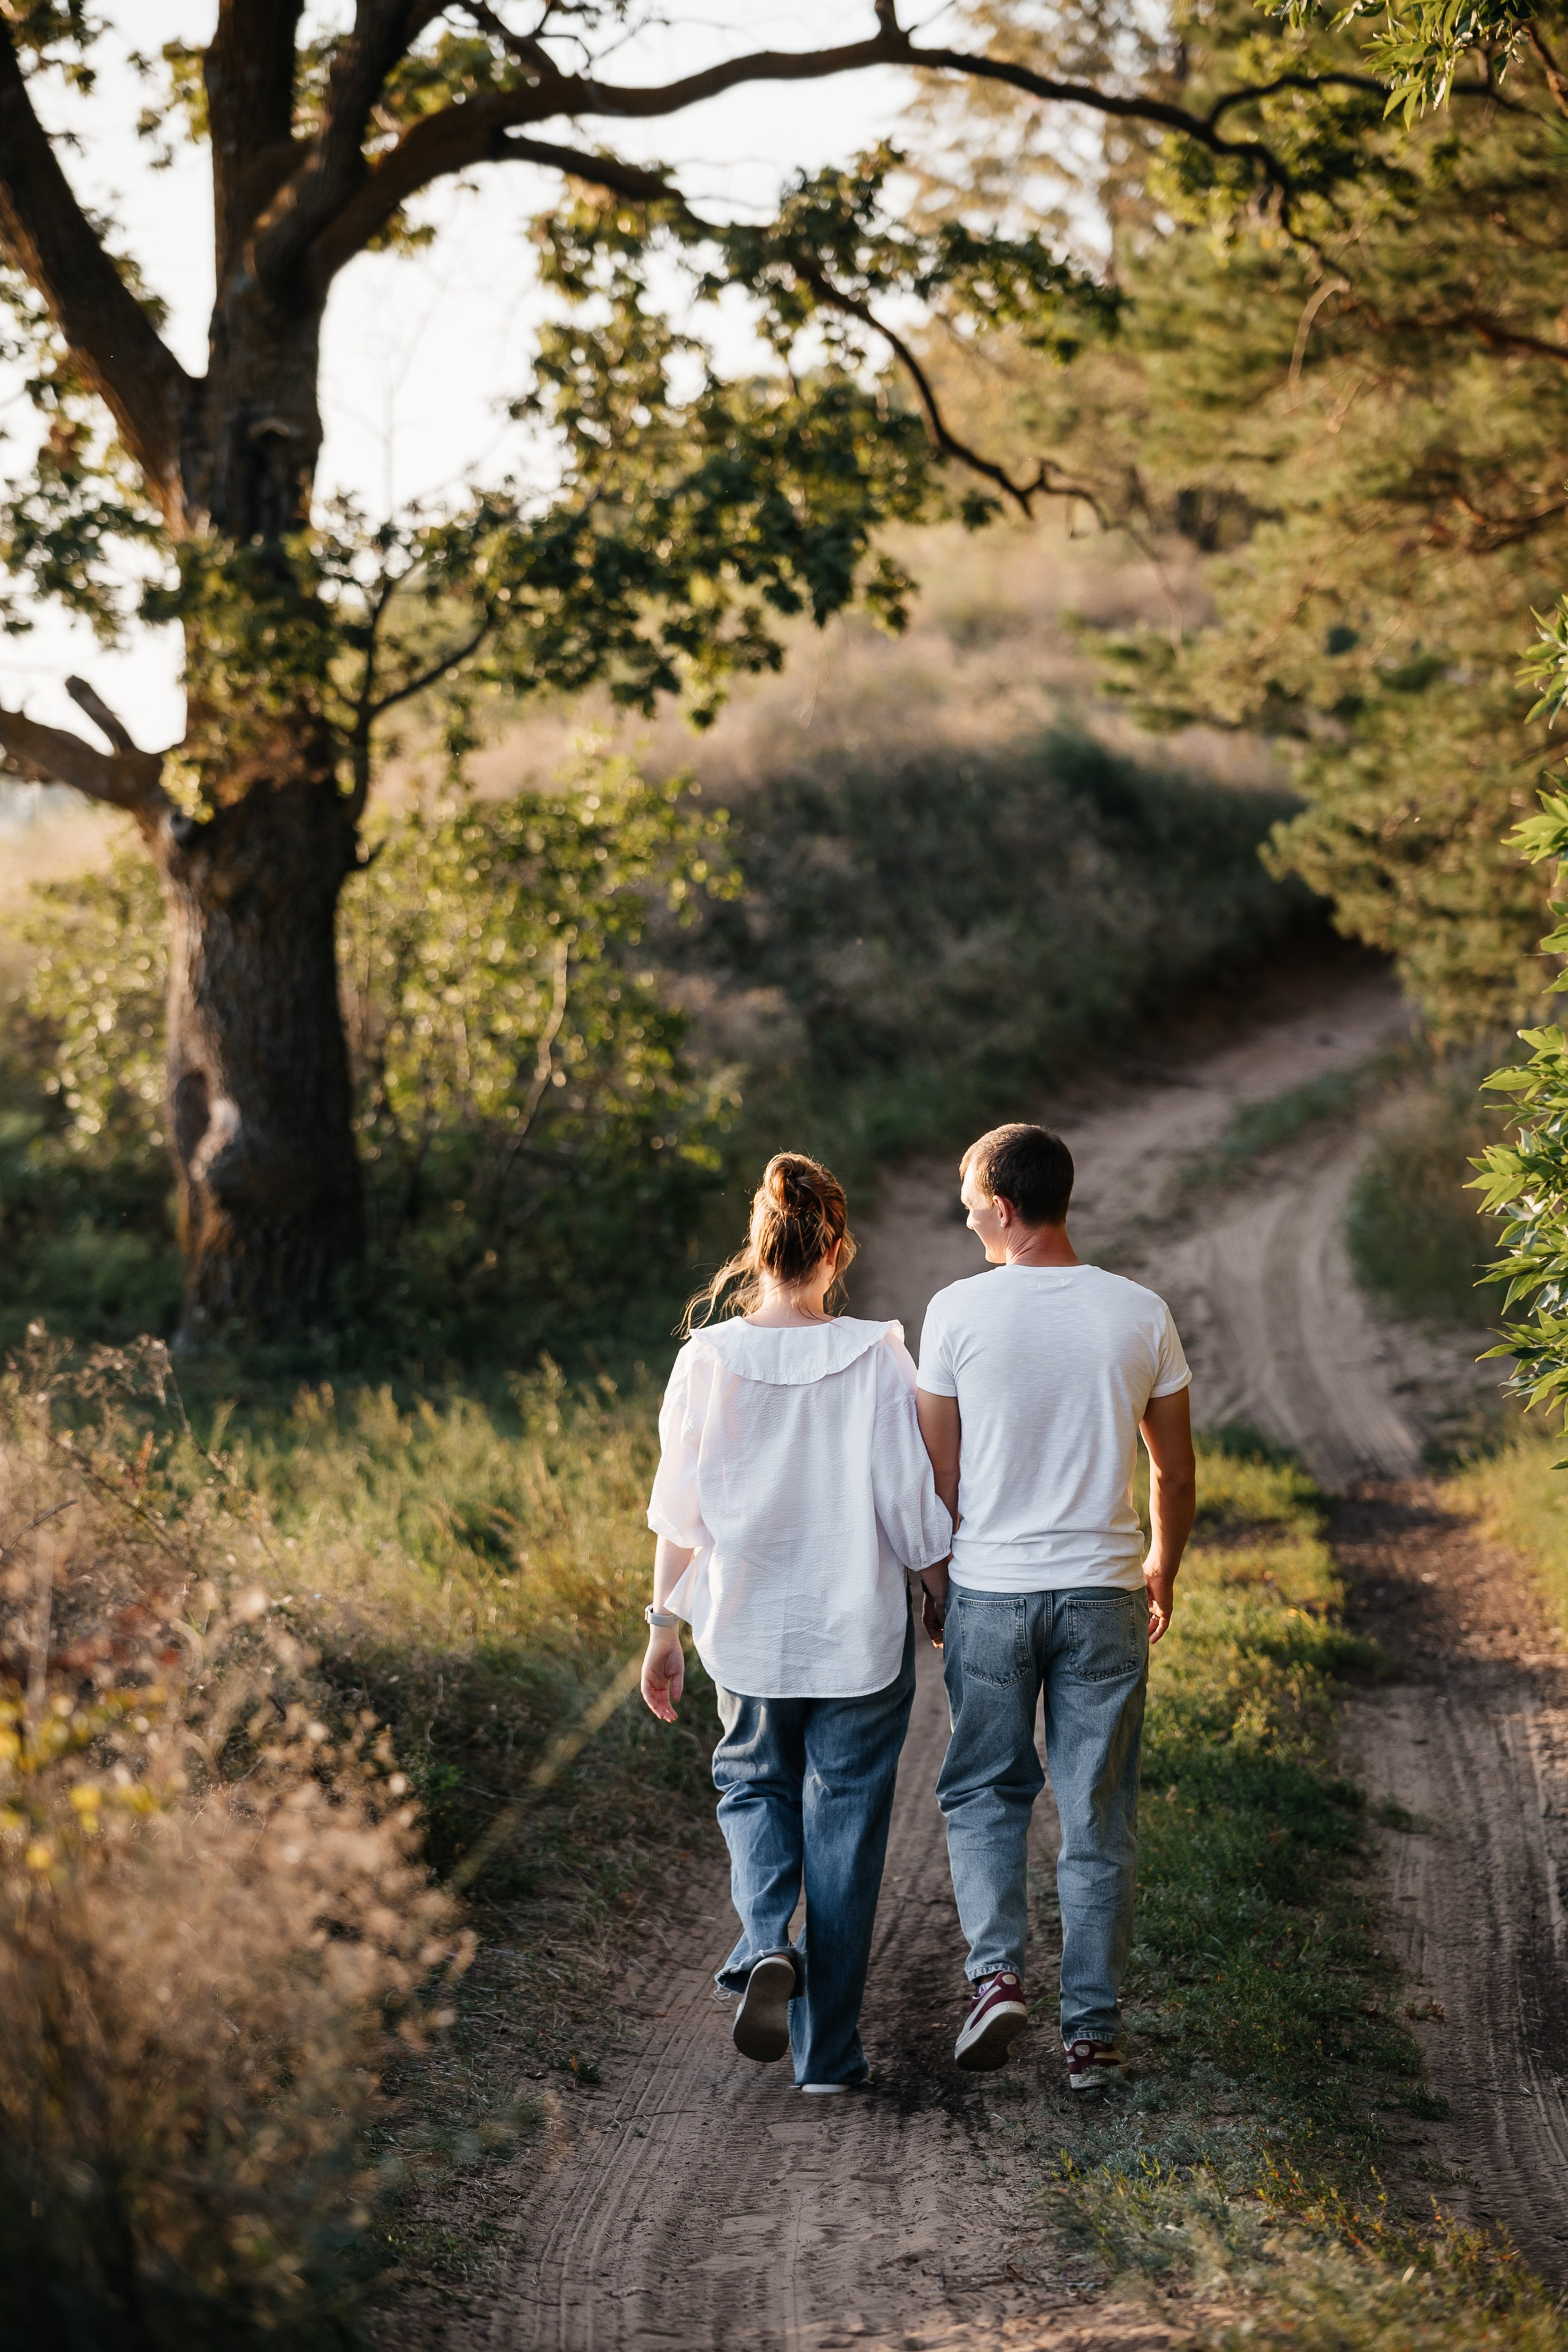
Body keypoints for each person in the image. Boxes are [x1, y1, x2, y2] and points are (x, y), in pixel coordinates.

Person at [641, 1152, 952, 2093]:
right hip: (856, 1632)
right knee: (845, 1830)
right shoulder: (876, 1353)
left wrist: (662, 1627)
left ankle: (767, 1940)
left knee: (751, 1787)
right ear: (836, 1251)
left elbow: (678, 1513)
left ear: (756, 1248)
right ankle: (828, 2058)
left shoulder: (707, 1358)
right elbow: (908, 1497)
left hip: (745, 1628)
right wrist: (938, 1587)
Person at [914, 1121, 1196, 2095]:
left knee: (986, 1793)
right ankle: (1092, 2036)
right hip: (1104, 1594)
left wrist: (940, 1583)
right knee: (1096, 1813)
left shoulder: (956, 1311)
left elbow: (939, 1473)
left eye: (969, 1205)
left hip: (993, 1592)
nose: (965, 1220)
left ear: (1002, 1207)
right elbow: (1174, 1473)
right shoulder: (1140, 1312)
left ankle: (996, 1978)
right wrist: (1161, 1567)